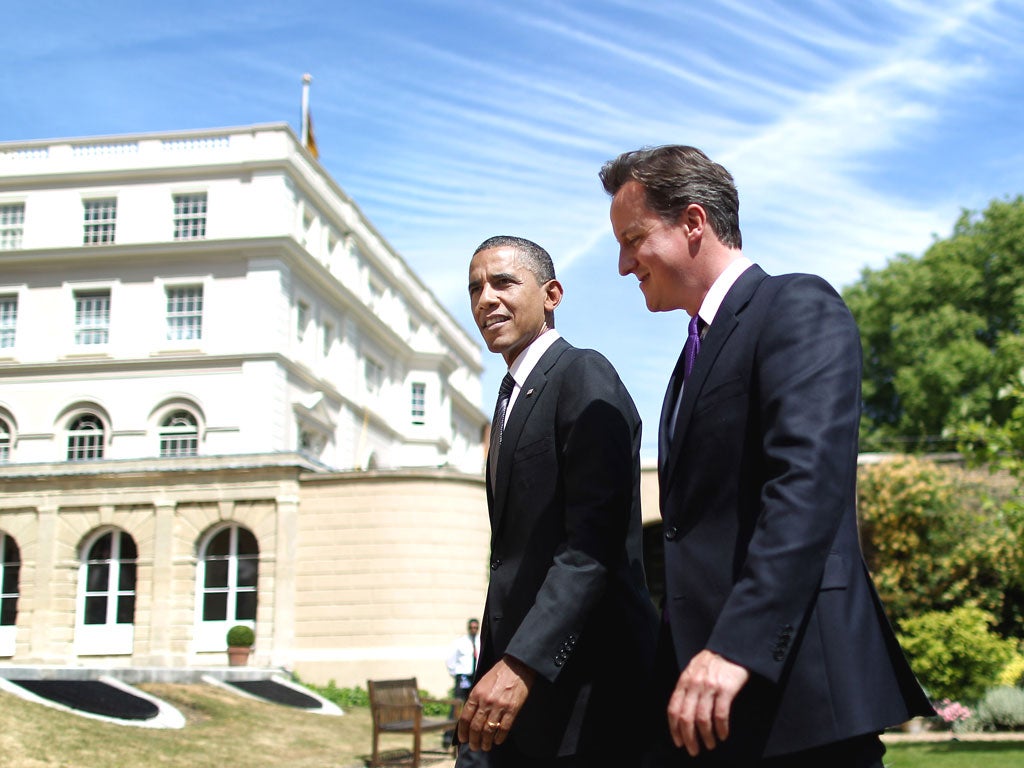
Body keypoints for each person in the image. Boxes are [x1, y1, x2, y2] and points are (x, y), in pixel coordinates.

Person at [599, 146, 933, 767]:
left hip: (797, 700)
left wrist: (736, 646)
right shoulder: (689, 359)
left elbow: (805, 487)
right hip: (705, 704)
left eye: (634, 239)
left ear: (693, 222)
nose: (622, 265)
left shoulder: (796, 307)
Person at [457, 235, 658, 767]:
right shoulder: (506, 400)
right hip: (510, 693)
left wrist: (522, 663)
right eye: (475, 288)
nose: (485, 299)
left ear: (552, 295)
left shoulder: (582, 374)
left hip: (586, 696)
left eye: (503, 282)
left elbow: (591, 544)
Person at [444, 618, 481, 747]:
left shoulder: (480, 641)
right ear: (468, 628)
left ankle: (469, 736)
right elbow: (450, 660)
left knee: (473, 705)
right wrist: (456, 674)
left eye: (476, 627)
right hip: (463, 676)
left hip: (475, 676)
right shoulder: (460, 642)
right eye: (472, 627)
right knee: (457, 705)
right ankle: (448, 736)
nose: (474, 630)